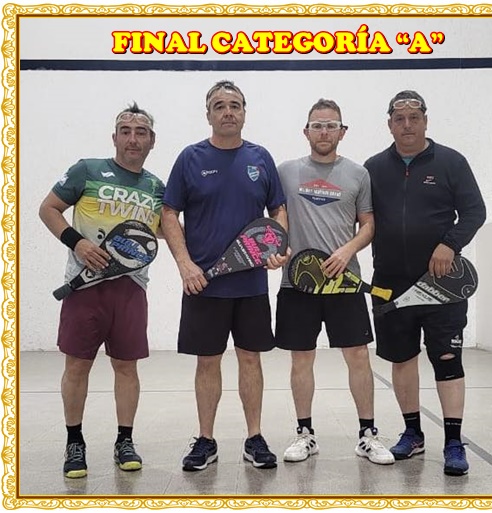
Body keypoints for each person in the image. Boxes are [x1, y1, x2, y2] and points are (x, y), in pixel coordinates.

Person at [161, 80, 288, 472]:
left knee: (250, 359)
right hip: (204, 284)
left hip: (250, 284)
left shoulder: (261, 158)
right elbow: (169, 213)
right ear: (209, 114)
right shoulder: (190, 158)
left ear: (245, 112)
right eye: (219, 105)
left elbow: (278, 209)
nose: (228, 111)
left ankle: (255, 438)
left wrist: (278, 245)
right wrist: (185, 264)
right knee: (207, 361)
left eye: (235, 105)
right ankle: (206, 440)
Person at [39, 103, 165, 478]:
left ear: (152, 141)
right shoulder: (87, 170)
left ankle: (124, 440)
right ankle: (74, 441)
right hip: (84, 288)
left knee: (126, 367)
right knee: (77, 366)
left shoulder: (156, 188)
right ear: (114, 137)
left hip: (131, 289)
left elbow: (162, 231)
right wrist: (77, 243)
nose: (132, 138)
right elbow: (48, 209)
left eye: (141, 132)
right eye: (125, 131)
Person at [364, 90, 486, 476]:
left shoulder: (451, 162)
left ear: (425, 121)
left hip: (442, 285)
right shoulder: (373, 168)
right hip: (390, 285)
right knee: (402, 360)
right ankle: (413, 434)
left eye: (414, 118)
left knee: (447, 359)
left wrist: (450, 244)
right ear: (389, 124)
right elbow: (360, 218)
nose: (407, 125)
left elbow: (474, 211)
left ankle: (453, 442)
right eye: (399, 119)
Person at [275, 98, 394, 465]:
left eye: (331, 125)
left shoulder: (358, 174)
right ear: (306, 131)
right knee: (301, 359)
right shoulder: (285, 172)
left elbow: (368, 224)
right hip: (298, 285)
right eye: (317, 125)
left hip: (344, 283)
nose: (324, 131)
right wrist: (279, 246)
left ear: (342, 132)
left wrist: (347, 250)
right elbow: (276, 217)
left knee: (358, 356)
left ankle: (367, 435)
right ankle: (305, 435)